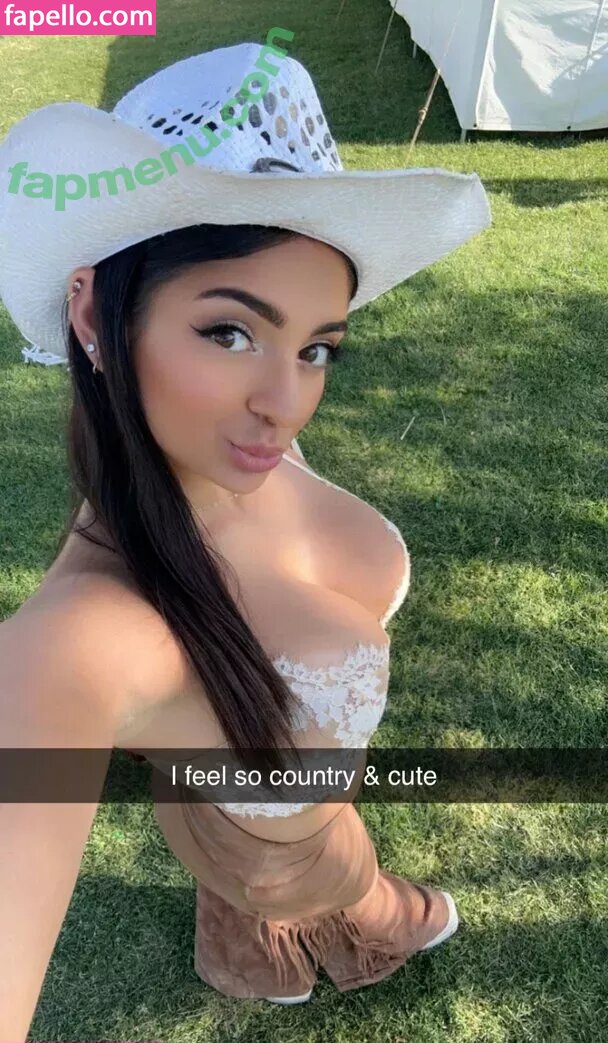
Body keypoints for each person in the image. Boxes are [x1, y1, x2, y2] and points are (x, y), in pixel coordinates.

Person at [0, 40, 491, 1036]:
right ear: (94, 313)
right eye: (230, 332)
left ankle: (248, 926)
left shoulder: (232, 447)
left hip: (274, 805)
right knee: (346, 881)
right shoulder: (81, 639)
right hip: (285, 846)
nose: (286, 402)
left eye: (316, 347)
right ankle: (367, 911)